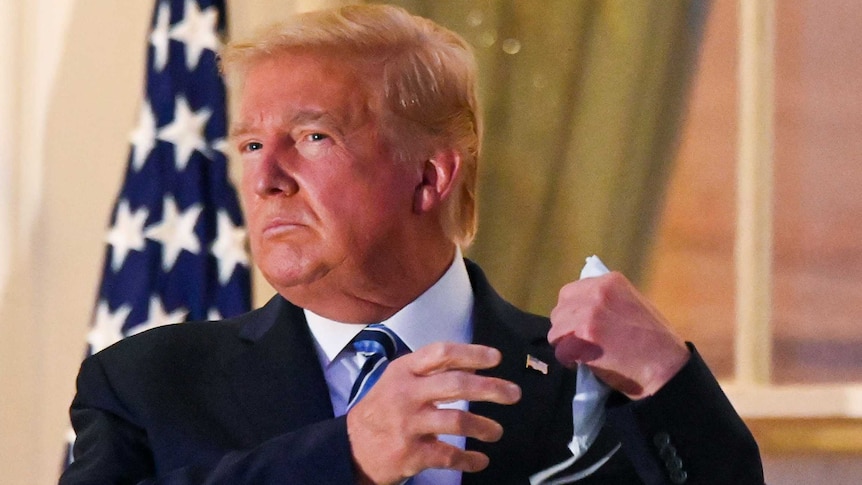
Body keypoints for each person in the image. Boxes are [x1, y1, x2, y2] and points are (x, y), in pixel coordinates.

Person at [60, 5, 763, 485]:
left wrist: (671, 380)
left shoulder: (586, 387)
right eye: (250, 143)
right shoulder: (145, 384)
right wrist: (345, 456)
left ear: (429, 175)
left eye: (312, 138)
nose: (266, 178)